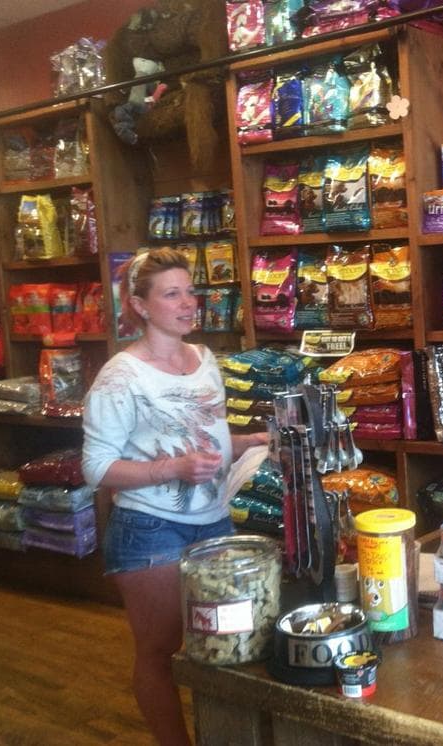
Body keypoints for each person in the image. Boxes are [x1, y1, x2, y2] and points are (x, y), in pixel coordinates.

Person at [82, 248, 267, 745]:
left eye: (191, 291)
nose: (189, 303)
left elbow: (207, 441)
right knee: (161, 649)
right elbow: (96, 468)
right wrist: (173, 468)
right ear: (141, 307)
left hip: (215, 521)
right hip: (149, 529)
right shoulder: (120, 377)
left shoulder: (204, 359)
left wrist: (250, 443)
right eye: (172, 294)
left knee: (227, 640)